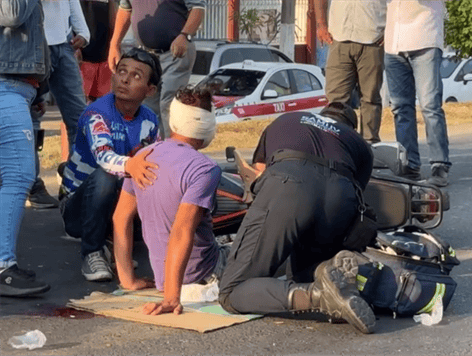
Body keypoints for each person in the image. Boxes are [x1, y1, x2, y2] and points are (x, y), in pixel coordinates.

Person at [218, 102, 377, 334]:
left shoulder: (288, 119)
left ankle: (319, 296)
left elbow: (258, 173)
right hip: (340, 197)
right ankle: (333, 283)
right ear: (351, 127)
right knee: (305, 272)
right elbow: (358, 194)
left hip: (289, 183)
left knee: (232, 290)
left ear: (321, 115)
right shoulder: (359, 143)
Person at [113, 86, 226, 315]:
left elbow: (120, 217)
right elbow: (181, 230)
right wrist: (172, 299)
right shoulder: (205, 169)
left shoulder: (144, 156)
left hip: (163, 278)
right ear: (207, 124)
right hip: (201, 278)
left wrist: (128, 280)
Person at [59, 48, 162, 282]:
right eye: (121, 71)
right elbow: (104, 157)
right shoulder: (96, 113)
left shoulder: (150, 120)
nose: (124, 79)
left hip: (116, 200)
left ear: (150, 90)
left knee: (154, 179)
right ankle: (92, 252)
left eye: (136, 76)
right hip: (77, 206)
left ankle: (113, 245)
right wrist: (134, 166)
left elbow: (154, 160)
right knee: (107, 175)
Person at [0, 0, 51, 296]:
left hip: (17, 86)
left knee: (14, 176)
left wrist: (38, 88)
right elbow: (12, 14)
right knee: (20, 175)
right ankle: (3, 266)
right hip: (6, 85)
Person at [108, 0, 205, 139]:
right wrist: (114, 44)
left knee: (169, 104)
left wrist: (185, 35)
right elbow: (125, 9)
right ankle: (154, 151)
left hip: (175, 52)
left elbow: (197, 8)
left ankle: (174, 153)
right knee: (147, 106)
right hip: (146, 56)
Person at [384, 0, 451, 187]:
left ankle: (439, 164)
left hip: (425, 37)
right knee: (400, 108)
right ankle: (409, 165)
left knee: (430, 105)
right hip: (393, 43)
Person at [314, 0, 387, 144]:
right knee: (336, 100)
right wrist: (321, 23)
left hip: (373, 36)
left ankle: (369, 145)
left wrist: (390, 29)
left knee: (370, 98)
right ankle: (337, 145)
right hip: (339, 37)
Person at [42, 0, 90, 149]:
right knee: (31, 116)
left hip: (64, 42)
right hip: (33, 44)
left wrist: (82, 31)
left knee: (78, 117)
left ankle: (77, 170)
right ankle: (29, 172)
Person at [78, 0, 118, 103]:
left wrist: (115, 44)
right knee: (80, 99)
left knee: (102, 100)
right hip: (83, 55)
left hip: (104, 54)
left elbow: (114, 18)